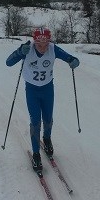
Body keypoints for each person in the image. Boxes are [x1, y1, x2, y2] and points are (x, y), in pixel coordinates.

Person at [6, 28, 80, 172]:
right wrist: (20, 52)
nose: (42, 46)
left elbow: (69, 58)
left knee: (48, 119)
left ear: (49, 40)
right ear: (34, 40)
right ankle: (36, 154)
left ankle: (46, 139)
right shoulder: (27, 49)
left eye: (45, 42)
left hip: (47, 90)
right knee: (35, 122)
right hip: (32, 91)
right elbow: (8, 62)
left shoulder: (53, 49)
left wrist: (73, 61)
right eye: (39, 42)